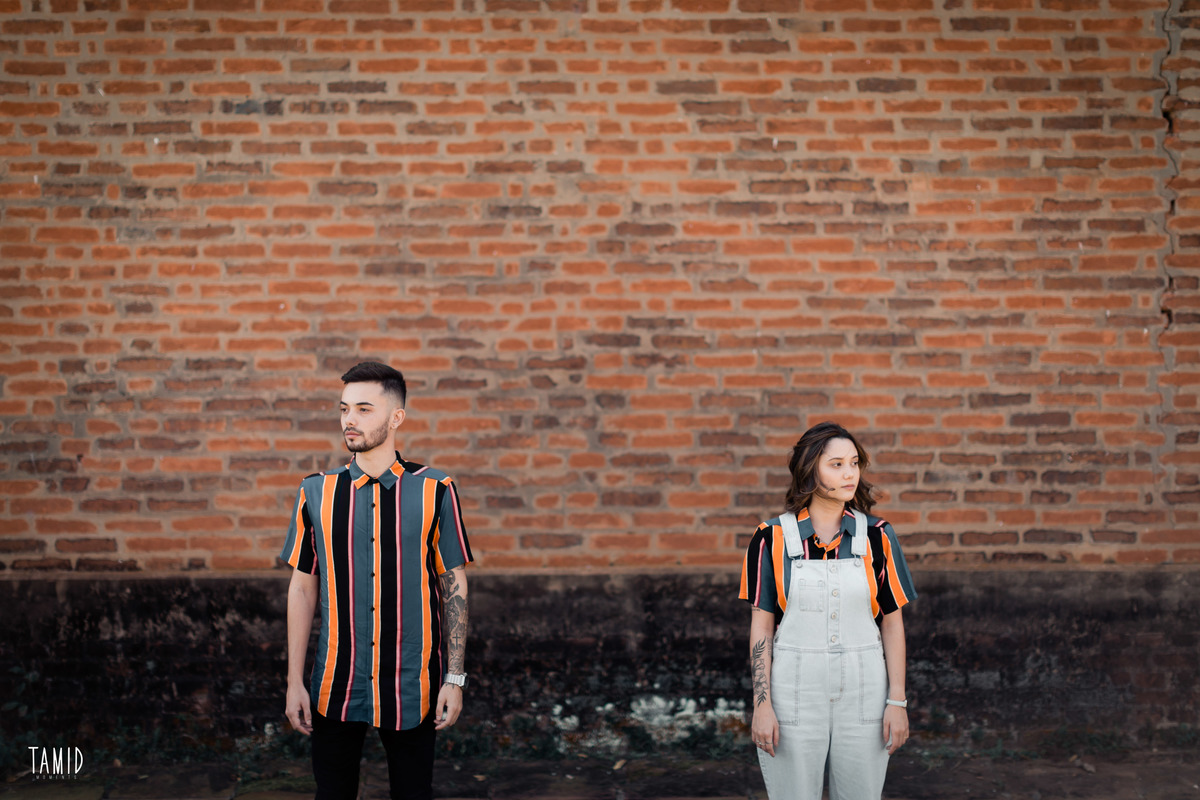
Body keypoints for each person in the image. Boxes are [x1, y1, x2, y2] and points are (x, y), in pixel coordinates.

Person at [280, 361, 473, 800]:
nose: (350, 419)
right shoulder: (315, 491)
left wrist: (454, 678)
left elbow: (454, 587)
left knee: (413, 793)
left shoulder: (436, 490)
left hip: (412, 683)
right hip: (334, 681)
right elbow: (302, 587)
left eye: (364, 409)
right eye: (344, 408)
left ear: (396, 417)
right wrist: (294, 682)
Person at [739, 421, 917, 800]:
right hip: (793, 697)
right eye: (836, 465)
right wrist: (762, 705)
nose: (850, 473)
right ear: (809, 470)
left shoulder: (879, 536)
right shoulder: (770, 539)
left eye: (854, 463)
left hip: (865, 694)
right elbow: (761, 628)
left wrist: (897, 701)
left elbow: (892, 623)